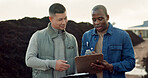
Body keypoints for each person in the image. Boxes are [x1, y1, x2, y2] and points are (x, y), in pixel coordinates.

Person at [81, 5, 135, 78]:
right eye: (94, 20)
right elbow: (83, 62)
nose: (96, 23)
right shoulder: (86, 36)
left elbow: (130, 63)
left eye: (100, 19)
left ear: (107, 17)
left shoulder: (123, 36)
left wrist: (111, 67)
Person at [25, 3, 78, 78]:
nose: (64, 22)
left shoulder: (72, 39)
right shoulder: (38, 36)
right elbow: (29, 60)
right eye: (60, 19)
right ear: (51, 19)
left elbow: (76, 67)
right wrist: (52, 64)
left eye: (65, 18)